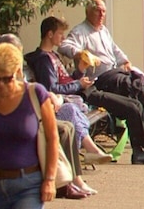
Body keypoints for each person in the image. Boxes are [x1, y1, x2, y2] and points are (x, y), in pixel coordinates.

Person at [59, 0, 144, 164]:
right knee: (133, 89)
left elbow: (114, 49)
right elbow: (64, 46)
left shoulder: (103, 30)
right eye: (97, 11)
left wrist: (125, 61)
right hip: (100, 79)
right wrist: (81, 54)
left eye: (103, 11)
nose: (101, 14)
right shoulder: (81, 31)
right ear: (88, 12)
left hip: (114, 73)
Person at [27, 17, 118, 173]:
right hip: (54, 106)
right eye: (60, 34)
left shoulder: (53, 55)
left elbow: (63, 81)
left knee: (73, 110)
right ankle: (88, 153)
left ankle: (89, 153)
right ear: (50, 34)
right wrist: (78, 84)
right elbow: (51, 88)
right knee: (71, 111)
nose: (63, 38)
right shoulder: (44, 60)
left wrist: (79, 72)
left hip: (65, 101)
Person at [0, 41, 61, 208]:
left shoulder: (35, 93)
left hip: (28, 184)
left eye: (6, 79)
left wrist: (50, 179)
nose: (0, 85)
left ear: (17, 71)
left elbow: (52, 138)